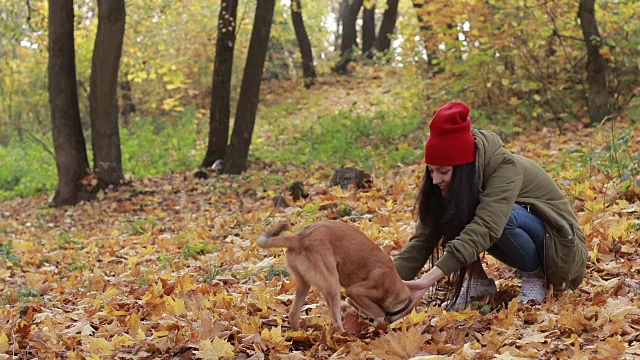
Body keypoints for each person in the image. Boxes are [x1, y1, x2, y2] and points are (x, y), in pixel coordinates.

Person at [393, 101, 587, 310]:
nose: (435, 180)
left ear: (463, 168)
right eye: (431, 171)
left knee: (501, 216)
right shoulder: (454, 183)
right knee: (450, 212)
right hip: (521, 237)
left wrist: (426, 281)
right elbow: (423, 238)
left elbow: (487, 226)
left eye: (444, 171)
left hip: (561, 247)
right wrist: (385, 284)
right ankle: (478, 282)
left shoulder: (505, 167)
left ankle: (536, 277)